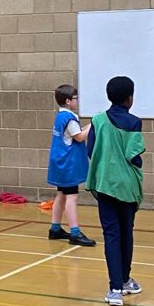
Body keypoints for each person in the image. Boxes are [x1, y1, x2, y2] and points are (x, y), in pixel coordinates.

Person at [86, 76, 145, 306]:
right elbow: (135, 156)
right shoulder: (134, 122)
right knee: (126, 232)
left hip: (104, 185)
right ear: (130, 98)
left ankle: (115, 289)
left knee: (111, 234)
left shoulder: (98, 121)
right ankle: (125, 279)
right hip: (128, 186)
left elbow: (91, 150)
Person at [46, 84, 95, 247]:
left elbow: (75, 132)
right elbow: (79, 137)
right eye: (75, 98)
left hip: (59, 162)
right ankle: (75, 232)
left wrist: (89, 125)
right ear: (68, 101)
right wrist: (94, 124)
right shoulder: (70, 118)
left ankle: (55, 229)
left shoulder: (61, 116)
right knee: (71, 196)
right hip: (67, 164)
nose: (77, 101)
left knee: (61, 194)